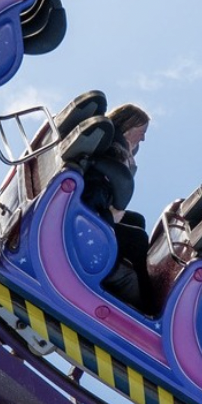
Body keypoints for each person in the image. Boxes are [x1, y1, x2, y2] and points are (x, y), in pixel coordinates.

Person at [79, 103, 152, 310]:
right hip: (91, 219)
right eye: (142, 131)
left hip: (94, 209)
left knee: (136, 220)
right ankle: (150, 307)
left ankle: (135, 272)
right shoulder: (114, 152)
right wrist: (111, 216)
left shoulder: (112, 147)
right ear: (128, 127)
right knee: (138, 239)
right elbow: (97, 192)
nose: (143, 138)